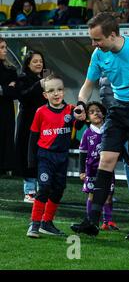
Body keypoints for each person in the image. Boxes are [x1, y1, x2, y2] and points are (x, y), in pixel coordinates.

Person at [70, 12, 129, 240]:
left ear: (112, 35)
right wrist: (81, 103)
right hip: (118, 110)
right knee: (106, 160)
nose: (94, 44)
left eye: (97, 39)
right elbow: (87, 85)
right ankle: (92, 221)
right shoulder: (99, 54)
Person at [26, 74, 84, 238]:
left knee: (58, 189)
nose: (56, 93)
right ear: (45, 95)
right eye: (51, 91)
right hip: (45, 156)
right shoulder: (41, 112)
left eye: (59, 89)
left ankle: (47, 223)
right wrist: (31, 160)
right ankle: (35, 224)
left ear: (64, 91)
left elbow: (78, 124)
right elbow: (33, 137)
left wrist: (80, 116)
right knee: (44, 188)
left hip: (62, 157)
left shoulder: (70, 110)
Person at [79, 101, 118, 231]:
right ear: (87, 118)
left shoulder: (108, 130)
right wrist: (81, 171)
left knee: (108, 195)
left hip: (107, 169)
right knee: (91, 195)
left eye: (98, 110)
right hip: (91, 170)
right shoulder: (87, 133)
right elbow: (83, 153)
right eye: (92, 112)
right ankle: (90, 219)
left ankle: (108, 221)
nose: (96, 113)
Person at [15, 51, 47, 203]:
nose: (39, 64)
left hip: (44, 122)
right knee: (28, 154)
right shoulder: (22, 78)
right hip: (27, 122)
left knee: (42, 154)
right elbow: (23, 96)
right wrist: (38, 85)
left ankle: (43, 188)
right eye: (35, 61)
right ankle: (29, 191)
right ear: (28, 63)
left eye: (40, 61)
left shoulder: (46, 79)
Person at [0, 38, 18, 175]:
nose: (5, 50)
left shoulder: (11, 69)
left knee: (6, 136)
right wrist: (7, 89)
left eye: (5, 47)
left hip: (6, 109)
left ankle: (5, 166)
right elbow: (10, 90)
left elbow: (15, 92)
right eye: (1, 47)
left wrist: (3, 90)